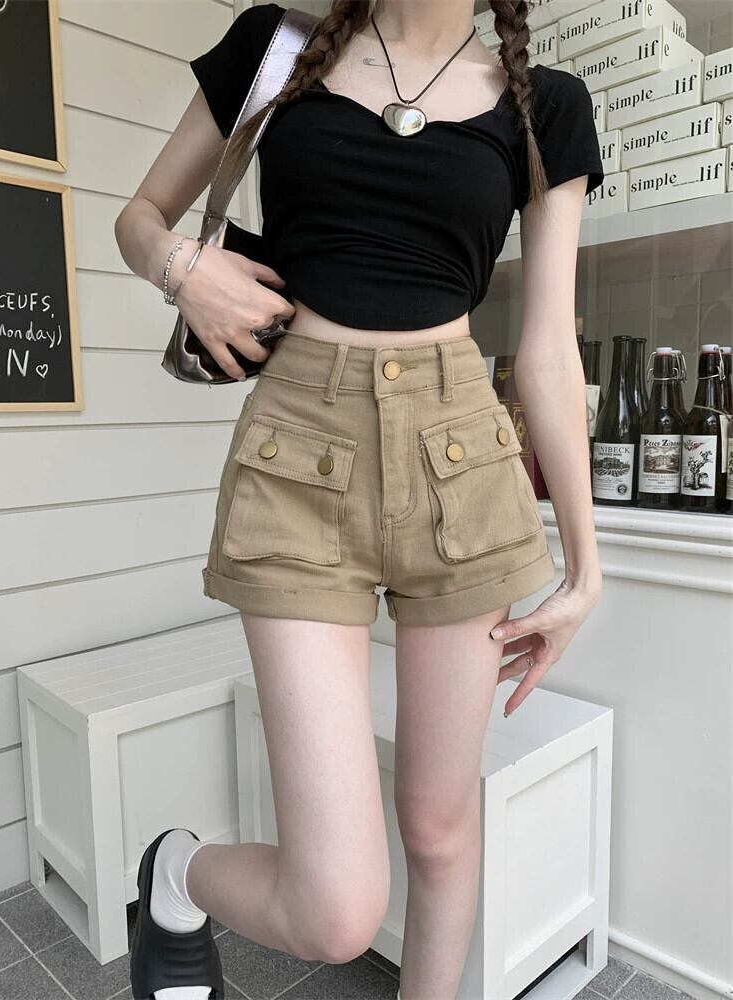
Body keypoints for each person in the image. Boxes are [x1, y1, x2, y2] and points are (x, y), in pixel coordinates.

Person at [115, 2, 605, 998]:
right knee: (335, 910)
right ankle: (175, 869)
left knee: (439, 827)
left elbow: (550, 349)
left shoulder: (544, 105)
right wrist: (184, 270)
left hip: (462, 460)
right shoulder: (278, 48)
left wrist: (587, 567)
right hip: (301, 453)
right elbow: (141, 217)